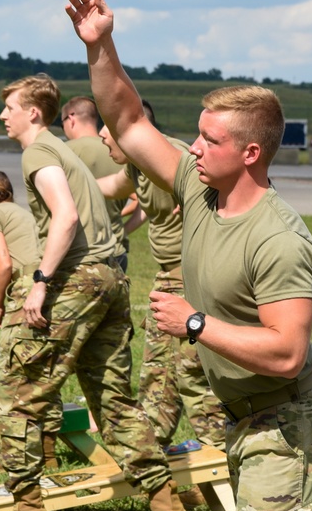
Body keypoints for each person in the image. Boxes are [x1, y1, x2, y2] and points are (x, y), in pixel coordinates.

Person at [66, 0, 312, 511]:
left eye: (208, 140)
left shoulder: (278, 239)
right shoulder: (198, 188)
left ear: (250, 153)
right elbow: (126, 119)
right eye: (195, 136)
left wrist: (194, 323)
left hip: (291, 426)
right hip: (248, 419)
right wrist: (99, 45)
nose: (192, 148)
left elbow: (288, 352)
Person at [0, 74, 190, 511]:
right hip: (111, 279)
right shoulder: (65, 150)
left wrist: (41, 284)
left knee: (19, 395)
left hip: (76, 279)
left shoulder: (39, 151)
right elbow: (106, 194)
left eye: (9, 107)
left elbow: (65, 216)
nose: (2, 115)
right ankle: (167, 510)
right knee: (113, 400)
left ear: (33, 112)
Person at [93, 102, 227, 473]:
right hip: (168, 278)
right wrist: (65, 183)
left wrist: (205, 197)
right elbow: (110, 186)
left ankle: (220, 459)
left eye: (106, 127)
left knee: (191, 373)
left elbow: (223, 180)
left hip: (192, 279)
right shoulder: (136, 166)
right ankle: (153, 454)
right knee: (158, 374)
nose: (101, 136)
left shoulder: (172, 154)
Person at [0, 171, 60, 473]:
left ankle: (8, 455)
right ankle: (48, 451)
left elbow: (4, 263)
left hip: (23, 292)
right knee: (43, 372)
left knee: (10, 377)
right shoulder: (22, 212)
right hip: (48, 289)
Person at [61, 96, 130, 271]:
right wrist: (123, 229)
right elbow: (139, 199)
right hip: (118, 250)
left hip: (84, 251)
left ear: (71, 118)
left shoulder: (66, 151)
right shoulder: (119, 151)